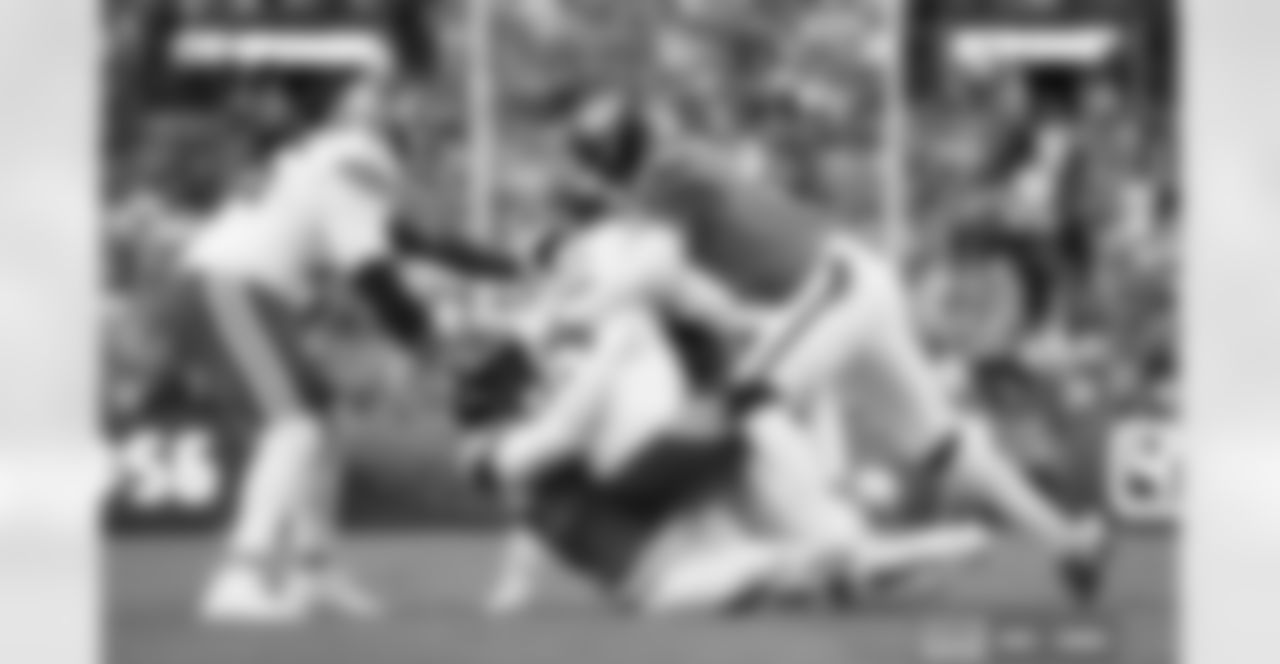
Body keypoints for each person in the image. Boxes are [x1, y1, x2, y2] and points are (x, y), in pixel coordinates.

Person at [559, 92, 1111, 606]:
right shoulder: (678, 165)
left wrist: (574, 309)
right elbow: (698, 280)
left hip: (831, 288)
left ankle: (847, 548)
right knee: (940, 446)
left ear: (605, 162)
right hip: (848, 281)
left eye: (592, 163)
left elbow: (658, 267)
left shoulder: (664, 172)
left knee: (747, 407)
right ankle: (1066, 539)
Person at [463, 214, 992, 616]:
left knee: (748, 426)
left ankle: (844, 549)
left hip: (663, 499)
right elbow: (553, 442)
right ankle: (839, 558)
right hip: (650, 554)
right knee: (748, 564)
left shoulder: (584, 328)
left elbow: (696, 308)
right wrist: (606, 349)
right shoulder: (515, 448)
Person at [162, 66, 520, 624]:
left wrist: (516, 268)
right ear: (358, 111)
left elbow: (423, 243)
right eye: (390, 97)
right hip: (231, 286)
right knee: (294, 426)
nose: (408, 110)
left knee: (320, 423)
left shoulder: (329, 160)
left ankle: (313, 570)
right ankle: (241, 575)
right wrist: (428, 343)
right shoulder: (357, 156)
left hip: (236, 287)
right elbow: (372, 273)